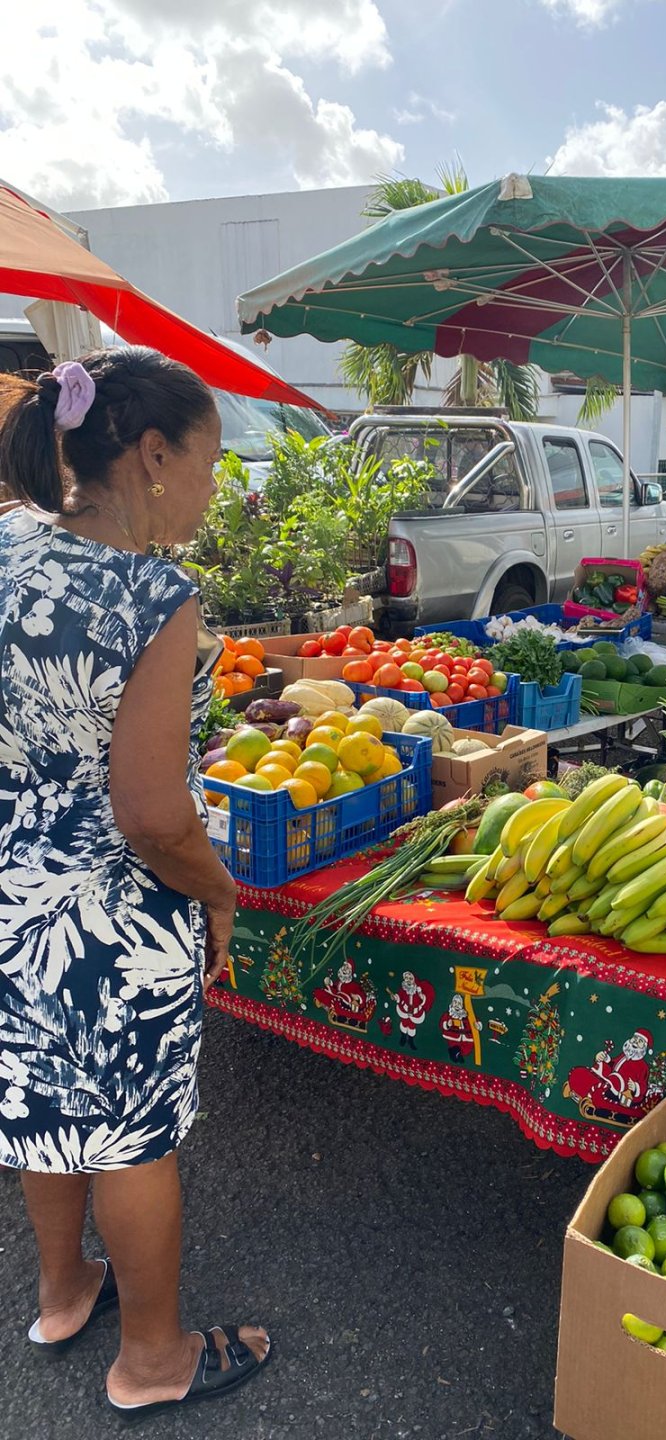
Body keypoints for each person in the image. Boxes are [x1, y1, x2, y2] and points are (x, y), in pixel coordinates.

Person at [0, 348, 271, 1417]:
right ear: (154, 454)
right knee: (132, 1133)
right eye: (209, 460)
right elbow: (153, 814)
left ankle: (63, 1290)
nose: (213, 484)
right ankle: (152, 1359)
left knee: (46, 1097)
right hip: (113, 910)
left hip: (14, 887)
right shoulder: (153, 594)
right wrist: (218, 891)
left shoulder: (6, 542)